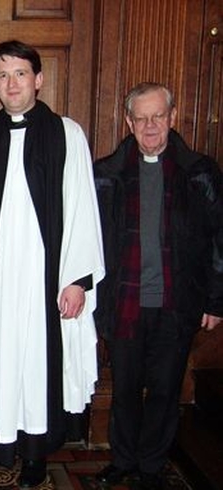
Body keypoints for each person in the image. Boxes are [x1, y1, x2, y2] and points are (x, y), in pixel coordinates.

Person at [0, 40, 105, 487]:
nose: (11, 83)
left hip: (45, 277)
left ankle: (36, 451)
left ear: (38, 79)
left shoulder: (66, 133)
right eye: (2, 75)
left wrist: (76, 280)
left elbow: (81, 205)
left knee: (37, 360)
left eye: (20, 73)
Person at [93, 82, 223, 490]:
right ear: (129, 122)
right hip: (124, 301)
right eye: (142, 118)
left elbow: (221, 238)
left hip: (176, 303)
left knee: (166, 391)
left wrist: (216, 299)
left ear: (171, 117)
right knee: (125, 389)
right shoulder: (105, 175)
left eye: (158, 117)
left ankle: (151, 466)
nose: (150, 126)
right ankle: (123, 459)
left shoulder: (199, 172)